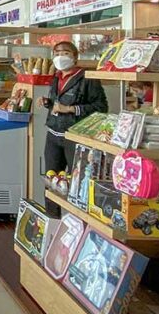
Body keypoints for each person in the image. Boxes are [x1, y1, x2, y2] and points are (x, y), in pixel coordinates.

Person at [36, 41, 108, 216]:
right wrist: (48, 103)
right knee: (51, 179)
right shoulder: (57, 77)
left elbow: (101, 107)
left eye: (66, 52)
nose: (60, 56)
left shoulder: (87, 79)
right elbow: (57, 104)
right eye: (57, 52)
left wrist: (71, 109)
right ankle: (52, 220)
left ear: (75, 57)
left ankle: (76, 222)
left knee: (77, 181)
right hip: (53, 134)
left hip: (75, 137)